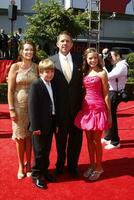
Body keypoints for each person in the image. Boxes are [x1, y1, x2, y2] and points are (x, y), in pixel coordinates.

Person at [74, 48, 112, 181]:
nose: (92, 60)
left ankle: (99, 167)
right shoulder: (85, 72)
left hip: (98, 108)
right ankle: (91, 165)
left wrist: (109, 113)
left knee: (96, 141)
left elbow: (106, 94)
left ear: (99, 59)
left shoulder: (102, 73)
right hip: (86, 109)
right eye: (90, 58)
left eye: (95, 58)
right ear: (86, 59)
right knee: (89, 141)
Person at [50, 31, 83, 178]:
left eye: (68, 41)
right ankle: (59, 165)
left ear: (72, 44)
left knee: (76, 141)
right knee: (61, 141)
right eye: (62, 41)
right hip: (59, 111)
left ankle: (72, 166)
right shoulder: (50, 61)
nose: (65, 43)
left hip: (77, 110)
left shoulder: (79, 59)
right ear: (57, 44)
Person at [7, 40, 38, 179]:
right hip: (18, 106)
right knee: (20, 138)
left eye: (31, 50)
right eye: (26, 49)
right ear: (21, 51)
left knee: (30, 137)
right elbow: (10, 90)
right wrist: (11, 109)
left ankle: (29, 164)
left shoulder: (36, 67)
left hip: (33, 106)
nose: (29, 52)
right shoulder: (15, 67)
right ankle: (20, 165)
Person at [28, 59, 57, 189]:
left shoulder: (52, 84)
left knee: (46, 149)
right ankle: (36, 175)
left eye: (51, 71)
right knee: (39, 151)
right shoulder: (36, 84)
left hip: (50, 123)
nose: (49, 74)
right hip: (39, 126)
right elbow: (32, 107)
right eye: (46, 72)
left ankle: (44, 171)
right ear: (40, 72)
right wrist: (35, 127)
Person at [101, 49, 128, 150]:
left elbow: (108, 76)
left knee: (111, 117)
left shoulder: (122, 66)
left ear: (118, 56)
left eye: (111, 56)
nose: (110, 59)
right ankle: (108, 137)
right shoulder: (118, 65)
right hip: (112, 92)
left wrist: (103, 65)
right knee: (108, 115)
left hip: (115, 93)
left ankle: (115, 142)